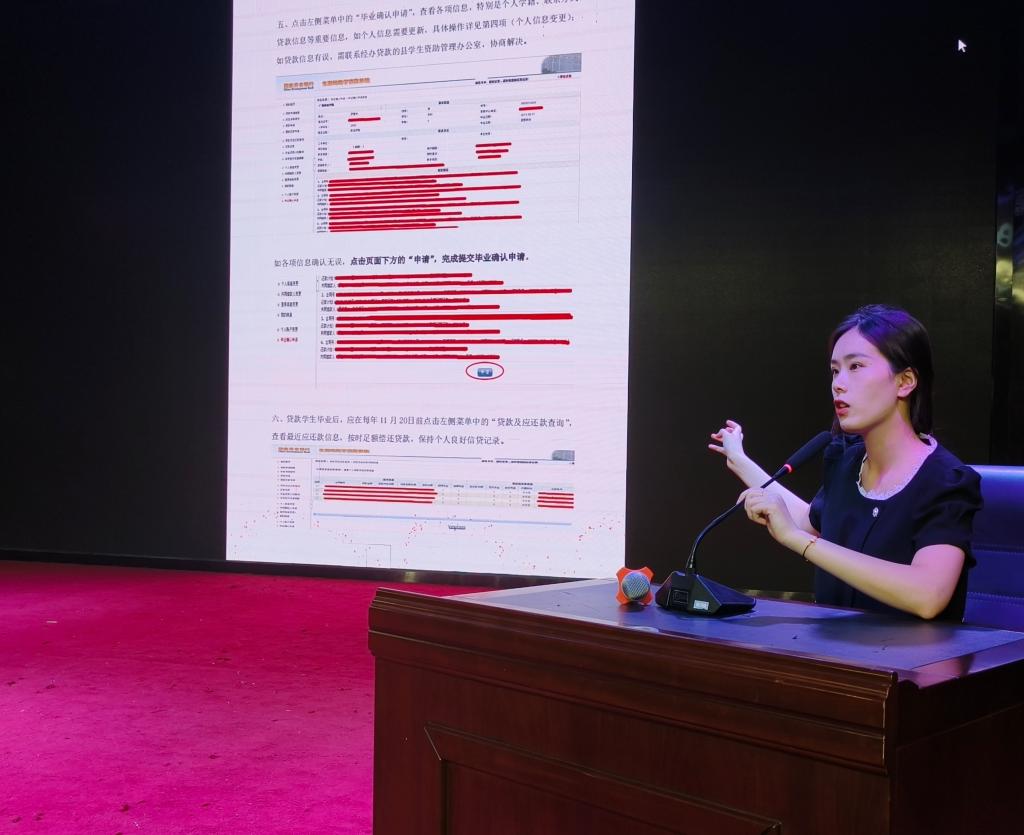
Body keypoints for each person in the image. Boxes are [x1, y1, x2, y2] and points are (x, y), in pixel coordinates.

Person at [709, 304, 982, 621]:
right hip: (830, 647)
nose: (838, 383)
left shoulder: (946, 481)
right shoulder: (846, 460)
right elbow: (809, 520)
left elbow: (928, 595)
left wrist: (798, 541)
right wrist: (740, 460)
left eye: (855, 367)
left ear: (905, 381)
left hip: (904, 653)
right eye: (835, 370)